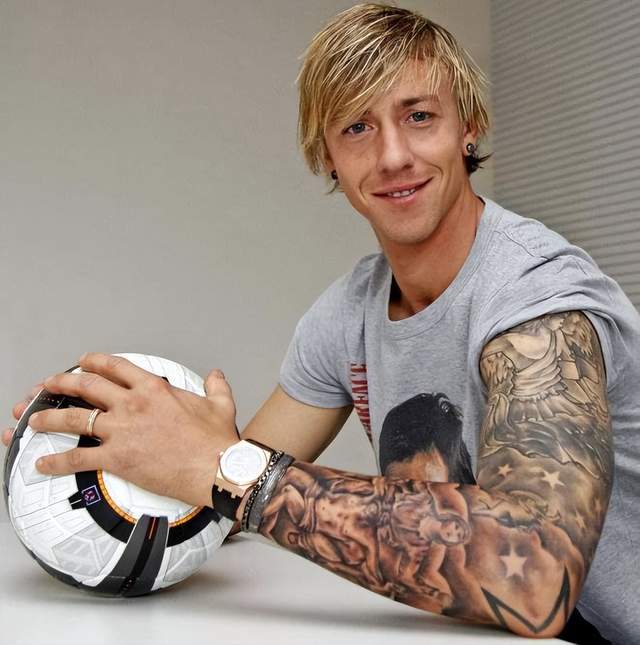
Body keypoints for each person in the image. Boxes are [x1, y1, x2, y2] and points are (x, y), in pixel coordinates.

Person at [3, 4, 639, 643]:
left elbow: (534, 579)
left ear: (467, 129)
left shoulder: (540, 301)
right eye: (357, 127)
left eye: (419, 117)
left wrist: (223, 465)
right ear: (327, 157)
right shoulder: (348, 312)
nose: (393, 155)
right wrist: (98, 454)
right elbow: (222, 499)